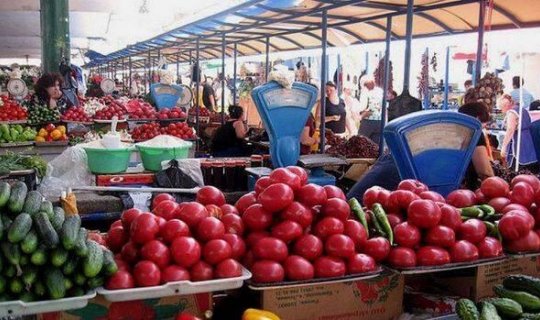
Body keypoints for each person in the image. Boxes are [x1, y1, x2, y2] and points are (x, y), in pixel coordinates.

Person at [347, 102, 495, 202]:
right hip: (402, 188)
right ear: (476, 120)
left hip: (369, 192)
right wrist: (497, 194)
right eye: (483, 124)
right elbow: (485, 172)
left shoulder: (444, 132)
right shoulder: (473, 132)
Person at [499, 94, 538, 169]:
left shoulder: (511, 112)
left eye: (501, 108)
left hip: (518, 141)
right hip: (528, 139)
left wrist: (503, 146)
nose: (501, 110)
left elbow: (510, 129)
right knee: (529, 165)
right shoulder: (522, 109)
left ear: (505, 105)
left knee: (517, 165)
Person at [358, 78, 384, 143]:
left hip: (367, 121)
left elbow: (362, 106)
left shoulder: (365, 91)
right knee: (375, 144)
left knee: (361, 142)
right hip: (379, 121)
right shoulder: (380, 91)